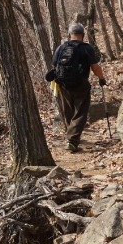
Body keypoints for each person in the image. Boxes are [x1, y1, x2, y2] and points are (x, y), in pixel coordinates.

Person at [47, 22, 106, 153]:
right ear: (83, 36)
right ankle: (72, 140)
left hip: (63, 84)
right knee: (80, 112)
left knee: (67, 110)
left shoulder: (61, 48)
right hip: (81, 84)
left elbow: (55, 66)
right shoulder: (86, 48)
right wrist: (101, 78)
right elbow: (95, 67)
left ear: (69, 35)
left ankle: (71, 136)